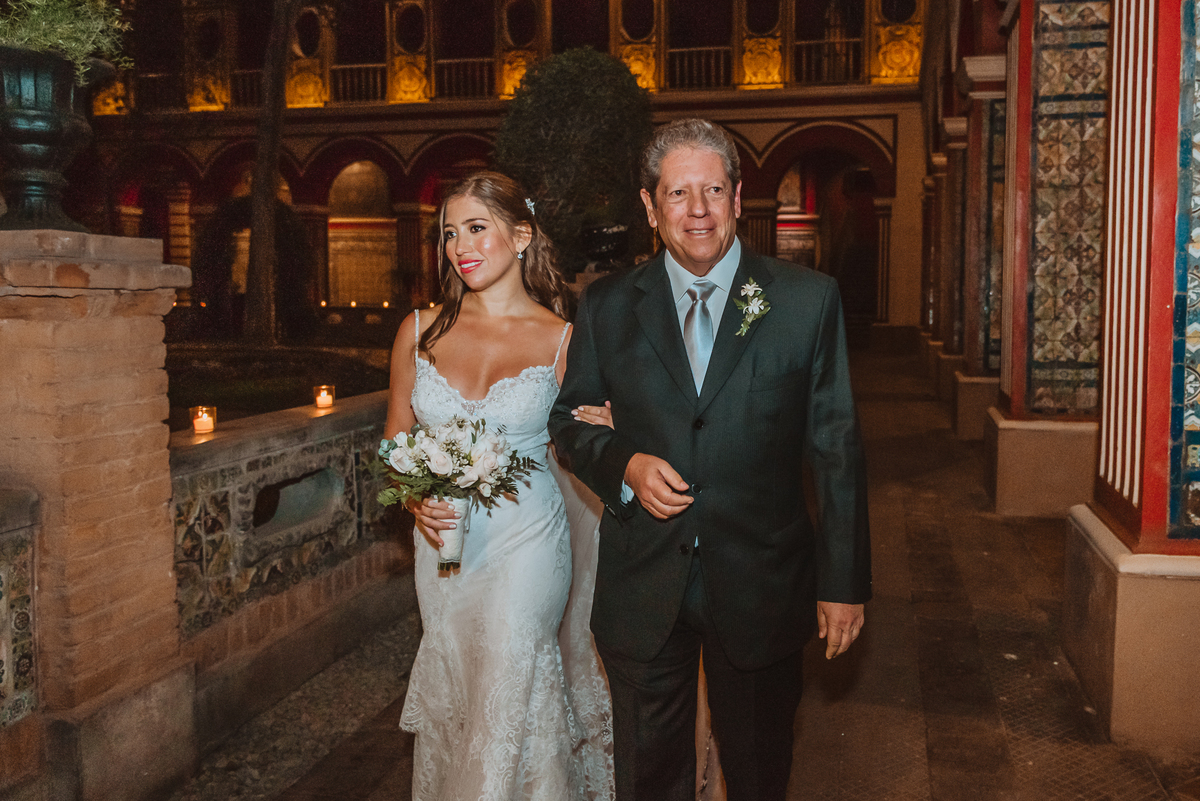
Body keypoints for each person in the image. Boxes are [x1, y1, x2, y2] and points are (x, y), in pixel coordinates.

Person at [548, 118, 872, 801]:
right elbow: (569, 422)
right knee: (650, 779)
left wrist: (843, 581)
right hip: (644, 587)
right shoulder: (607, 306)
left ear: (737, 195)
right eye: (678, 193)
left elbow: (836, 448)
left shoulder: (804, 301)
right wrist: (625, 465)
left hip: (761, 583)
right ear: (649, 205)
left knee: (758, 773)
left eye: (713, 190)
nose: (697, 210)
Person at [385, 171, 613, 800]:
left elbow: (588, 437)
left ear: (521, 234)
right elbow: (395, 440)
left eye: (477, 228)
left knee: (512, 675)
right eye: (449, 232)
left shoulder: (564, 338)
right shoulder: (418, 331)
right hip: (445, 550)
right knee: (463, 687)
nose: (461, 245)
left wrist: (614, 423)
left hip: (529, 541)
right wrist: (413, 500)